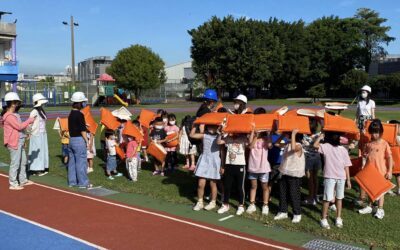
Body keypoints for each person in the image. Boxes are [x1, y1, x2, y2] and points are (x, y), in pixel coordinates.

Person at [313, 132, 352, 229]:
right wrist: (320, 137)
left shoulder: (343, 150)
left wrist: (348, 180)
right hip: (330, 176)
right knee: (327, 198)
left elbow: (346, 165)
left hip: (341, 177)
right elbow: (314, 145)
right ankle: (323, 218)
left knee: (339, 198)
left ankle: (338, 217)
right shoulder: (326, 146)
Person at [358, 120, 393, 219]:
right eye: (372, 132)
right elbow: (366, 156)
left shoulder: (384, 144)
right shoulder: (369, 144)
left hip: (381, 172)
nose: (374, 135)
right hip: (370, 172)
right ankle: (370, 206)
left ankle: (380, 209)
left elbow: (389, 158)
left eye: (376, 132)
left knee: (380, 191)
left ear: (381, 132)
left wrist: (389, 171)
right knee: (371, 189)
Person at [1, 92, 35, 190]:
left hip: (19, 140)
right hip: (13, 142)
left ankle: (23, 179)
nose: (18, 104)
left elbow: (20, 129)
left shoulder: (15, 114)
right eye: (16, 102)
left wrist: (24, 138)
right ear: (12, 103)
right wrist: (29, 120)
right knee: (15, 163)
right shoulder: (9, 116)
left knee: (23, 161)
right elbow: (19, 126)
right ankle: (13, 183)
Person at [274, 129, 305, 223]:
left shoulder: (299, 146)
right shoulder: (287, 143)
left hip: (294, 173)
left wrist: (293, 134)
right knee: (283, 192)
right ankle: (283, 211)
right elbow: (277, 144)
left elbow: (293, 148)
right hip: (284, 171)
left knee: (293, 193)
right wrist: (282, 135)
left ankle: (297, 213)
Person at [217, 131, 249, 215]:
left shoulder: (243, 138)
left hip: (240, 165)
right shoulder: (228, 138)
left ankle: (241, 205)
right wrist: (220, 133)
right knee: (227, 186)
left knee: (240, 187)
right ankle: (225, 204)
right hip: (229, 164)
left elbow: (250, 145)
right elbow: (218, 142)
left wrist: (252, 133)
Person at [190, 124, 221, 211]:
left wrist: (222, 166)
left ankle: (213, 202)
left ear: (217, 127)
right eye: (209, 126)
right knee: (201, 184)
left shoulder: (219, 136)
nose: (211, 128)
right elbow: (192, 135)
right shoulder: (204, 135)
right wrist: (195, 125)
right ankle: (200, 202)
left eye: (213, 126)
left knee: (213, 183)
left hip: (214, 160)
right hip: (204, 159)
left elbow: (222, 149)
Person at [67, 92, 92, 188]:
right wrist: (87, 141)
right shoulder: (80, 114)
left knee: (72, 162)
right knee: (81, 162)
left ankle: (72, 182)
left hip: (71, 140)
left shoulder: (71, 114)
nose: (84, 104)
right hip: (79, 140)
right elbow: (82, 130)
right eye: (83, 102)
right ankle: (83, 182)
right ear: (79, 103)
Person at [246, 125, 272, 215]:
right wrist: (255, 135)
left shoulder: (266, 138)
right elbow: (250, 147)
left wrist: (268, 134)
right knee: (253, 186)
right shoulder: (251, 137)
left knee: (265, 187)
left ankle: (265, 205)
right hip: (253, 167)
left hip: (263, 167)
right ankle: (252, 204)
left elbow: (270, 146)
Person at [27, 93, 49, 176]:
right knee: (37, 152)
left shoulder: (41, 111)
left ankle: (42, 167)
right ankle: (36, 170)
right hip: (36, 135)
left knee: (43, 151)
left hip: (42, 134)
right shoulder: (34, 112)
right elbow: (29, 123)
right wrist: (29, 133)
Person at [302, 119, 322, 205]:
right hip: (317, 158)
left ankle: (311, 197)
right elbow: (323, 128)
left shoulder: (304, 136)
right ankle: (314, 196)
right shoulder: (319, 135)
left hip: (308, 158)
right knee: (315, 177)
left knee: (310, 179)